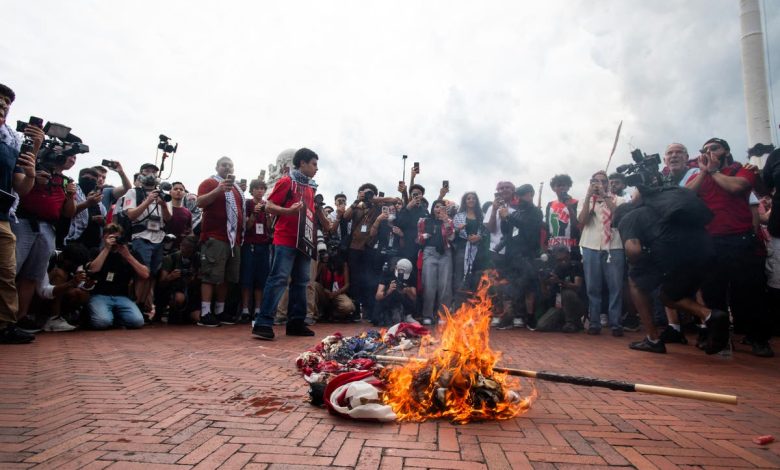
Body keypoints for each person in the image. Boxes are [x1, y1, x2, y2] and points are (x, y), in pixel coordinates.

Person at [616, 187, 729, 354]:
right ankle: (710, 316)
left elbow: (634, 250)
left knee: (635, 281)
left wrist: (635, 263)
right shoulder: (660, 208)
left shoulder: (627, 219)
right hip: (706, 249)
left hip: (676, 256)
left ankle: (653, 339)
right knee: (668, 295)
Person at [686, 138, 772, 357]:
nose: (709, 152)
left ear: (726, 150)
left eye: (714, 148)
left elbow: (737, 187)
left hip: (740, 240)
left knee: (749, 292)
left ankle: (758, 338)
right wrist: (705, 172)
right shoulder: (701, 175)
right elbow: (686, 196)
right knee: (713, 292)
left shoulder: (742, 170)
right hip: (711, 241)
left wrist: (713, 172)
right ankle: (720, 339)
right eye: (705, 149)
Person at [251, 148, 332, 340]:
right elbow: (269, 205)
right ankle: (263, 323)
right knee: (278, 279)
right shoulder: (287, 181)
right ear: (302, 163)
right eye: (313, 164)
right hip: (286, 239)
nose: (316, 168)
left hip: (304, 242)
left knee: (302, 282)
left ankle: (296, 322)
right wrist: (288, 212)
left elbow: (311, 214)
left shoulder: (311, 187)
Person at [0, 84, 39, 343]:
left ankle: (4, 325)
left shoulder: (11, 141)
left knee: (5, 272)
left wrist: (32, 169)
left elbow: (21, 187)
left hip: (3, 216)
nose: (3, 105)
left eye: (6, 102)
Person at [197, 157, 245, 326]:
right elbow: (199, 202)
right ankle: (205, 312)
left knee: (226, 277)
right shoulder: (210, 183)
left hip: (233, 240)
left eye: (230, 165)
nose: (227, 168)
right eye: (224, 165)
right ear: (216, 167)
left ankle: (219, 311)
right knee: (210, 276)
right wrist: (218, 190)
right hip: (215, 237)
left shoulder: (237, 189)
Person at [577, 171, 625, 336]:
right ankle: (594, 323)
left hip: (614, 246)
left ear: (608, 183)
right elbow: (582, 221)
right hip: (591, 246)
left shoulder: (619, 199)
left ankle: (616, 324)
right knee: (593, 287)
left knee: (615, 287)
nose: (599, 184)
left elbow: (619, 216)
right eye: (595, 181)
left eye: (603, 181)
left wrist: (605, 196)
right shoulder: (587, 201)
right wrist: (588, 199)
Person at [121, 163, 172, 319]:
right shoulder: (133, 192)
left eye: (154, 172)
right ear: (140, 174)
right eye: (147, 171)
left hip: (159, 237)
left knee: (152, 275)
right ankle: (136, 304)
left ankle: (143, 306)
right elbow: (131, 215)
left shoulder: (163, 193)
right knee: (142, 273)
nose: (150, 174)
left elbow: (169, 218)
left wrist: (163, 204)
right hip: (141, 236)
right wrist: (148, 201)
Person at [86, 224, 149, 330]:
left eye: (117, 237)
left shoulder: (129, 252)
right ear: (104, 238)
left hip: (122, 296)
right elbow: (93, 269)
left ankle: (115, 316)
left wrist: (127, 256)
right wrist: (106, 249)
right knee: (102, 322)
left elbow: (145, 274)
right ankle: (111, 317)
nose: (114, 240)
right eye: (110, 237)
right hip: (99, 295)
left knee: (137, 321)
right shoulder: (96, 251)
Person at [498, 184, 543, 329]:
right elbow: (507, 231)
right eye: (518, 195)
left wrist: (509, 217)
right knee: (511, 286)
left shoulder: (536, 212)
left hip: (528, 254)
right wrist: (504, 219)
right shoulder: (516, 211)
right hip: (513, 254)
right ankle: (510, 317)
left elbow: (527, 226)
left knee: (529, 288)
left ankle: (529, 318)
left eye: (523, 195)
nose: (520, 198)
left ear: (530, 195)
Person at [417, 199, 454, 325]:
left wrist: (446, 221)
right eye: (436, 207)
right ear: (433, 208)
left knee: (445, 285)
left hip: (445, 253)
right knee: (429, 284)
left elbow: (452, 237)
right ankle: (427, 315)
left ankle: (442, 315)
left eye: (442, 207)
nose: (439, 209)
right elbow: (418, 239)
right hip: (430, 252)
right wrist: (425, 236)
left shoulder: (449, 221)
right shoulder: (424, 221)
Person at [239, 179, 271, 324]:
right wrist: (254, 213)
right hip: (250, 244)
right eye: (256, 188)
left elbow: (270, 229)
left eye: (262, 188)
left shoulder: (268, 205)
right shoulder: (247, 203)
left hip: (263, 245)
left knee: (261, 278)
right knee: (247, 277)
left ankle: (258, 309)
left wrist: (269, 215)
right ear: (252, 191)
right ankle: (245, 309)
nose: (259, 191)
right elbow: (247, 225)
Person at [536, 246, 585, 333]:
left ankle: (570, 323)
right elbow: (546, 295)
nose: (563, 262)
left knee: (567, 293)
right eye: (559, 260)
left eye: (564, 259)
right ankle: (570, 324)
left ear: (569, 256)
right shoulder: (556, 269)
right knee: (541, 325)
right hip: (559, 307)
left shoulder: (576, 266)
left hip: (576, 304)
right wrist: (543, 282)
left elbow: (577, 286)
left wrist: (560, 282)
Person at [452, 192, 487, 307]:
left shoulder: (483, 216)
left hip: (478, 252)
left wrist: (479, 237)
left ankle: (472, 309)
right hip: (462, 249)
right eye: (468, 198)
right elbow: (451, 235)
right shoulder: (458, 216)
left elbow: (487, 233)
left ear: (476, 201)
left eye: (473, 198)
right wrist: (458, 230)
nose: (471, 200)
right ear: (465, 201)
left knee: (475, 278)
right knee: (459, 278)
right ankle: (458, 308)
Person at [158, 235, 200, 324]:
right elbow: (161, 283)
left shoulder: (198, 258)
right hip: (173, 291)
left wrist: (194, 279)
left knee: (197, 318)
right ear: (180, 245)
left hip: (192, 293)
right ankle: (172, 314)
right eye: (183, 246)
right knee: (179, 298)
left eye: (189, 249)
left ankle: (187, 315)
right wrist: (170, 277)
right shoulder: (170, 258)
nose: (185, 250)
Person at [314, 245, 354, 322]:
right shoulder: (323, 263)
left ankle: (334, 314)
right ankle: (317, 314)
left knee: (349, 307)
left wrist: (335, 293)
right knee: (314, 286)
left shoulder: (343, 264)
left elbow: (347, 285)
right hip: (325, 292)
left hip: (338, 292)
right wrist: (321, 264)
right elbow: (316, 279)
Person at [374, 258, 417, 326]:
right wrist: (389, 290)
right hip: (388, 304)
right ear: (396, 268)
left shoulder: (411, 276)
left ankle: (407, 316)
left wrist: (407, 290)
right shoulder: (387, 274)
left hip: (403, 305)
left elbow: (414, 298)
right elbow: (377, 296)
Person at [544, 174, 579, 256]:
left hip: (572, 246)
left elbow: (577, 224)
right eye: (558, 185)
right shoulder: (550, 205)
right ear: (553, 188)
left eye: (564, 185)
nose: (561, 188)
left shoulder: (576, 203)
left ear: (568, 187)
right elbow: (547, 226)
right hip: (553, 247)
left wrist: (569, 206)